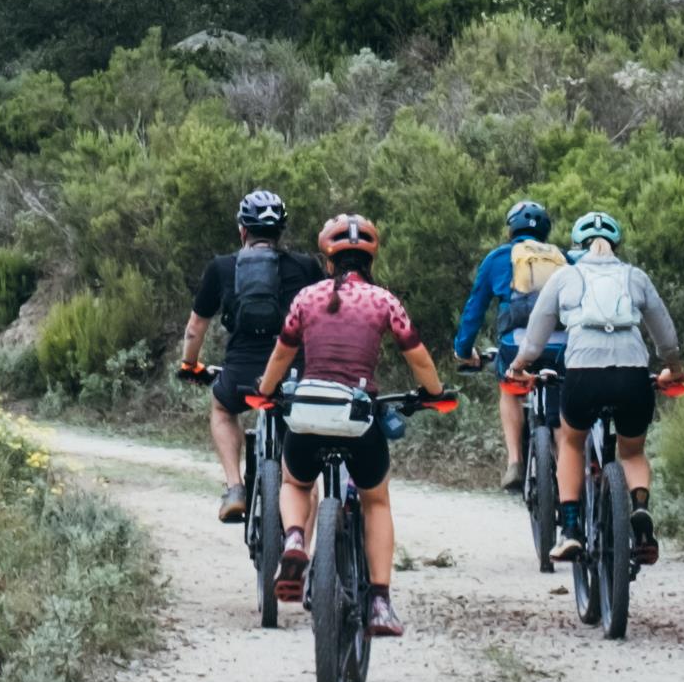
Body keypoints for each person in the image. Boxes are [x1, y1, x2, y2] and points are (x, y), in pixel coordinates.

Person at [263, 213, 458, 636]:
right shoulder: (383, 301)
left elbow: (281, 354)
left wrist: (266, 389)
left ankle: (296, 538)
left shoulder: (306, 298)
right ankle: (381, 603)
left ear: (328, 259)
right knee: (376, 501)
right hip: (359, 417)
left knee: (295, 482)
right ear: (370, 258)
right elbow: (419, 357)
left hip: (310, 415)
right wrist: (434, 392)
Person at [531, 211, 684, 566]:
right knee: (631, 452)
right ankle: (641, 512)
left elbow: (537, 332)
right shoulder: (635, 276)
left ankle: (570, 530)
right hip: (632, 375)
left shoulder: (566, 276)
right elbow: (666, 334)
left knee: (570, 440)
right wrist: (674, 369)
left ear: (577, 245)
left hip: (583, 375)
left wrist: (520, 366)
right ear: (616, 245)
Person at [169, 189, 303, 522]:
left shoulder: (222, 267)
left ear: (243, 230)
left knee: (222, 407)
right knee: (298, 424)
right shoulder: (304, 266)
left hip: (242, 372)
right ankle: (296, 499)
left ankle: (234, 488)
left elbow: (196, 325)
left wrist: (190, 364)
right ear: (280, 231)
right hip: (293, 371)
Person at [449, 199, 572, 486]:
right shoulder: (564, 258)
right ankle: (568, 478)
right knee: (562, 405)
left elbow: (474, 310)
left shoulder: (499, 258)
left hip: (516, 345)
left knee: (510, 388)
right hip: (562, 346)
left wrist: (464, 350)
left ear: (511, 229)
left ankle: (515, 462)